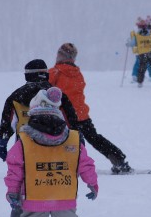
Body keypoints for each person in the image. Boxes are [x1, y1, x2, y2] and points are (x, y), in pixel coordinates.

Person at [1, 87, 99, 217]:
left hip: (35, 197)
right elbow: (84, 162)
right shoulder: (73, 138)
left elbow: (15, 169)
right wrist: (92, 183)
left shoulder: (24, 140)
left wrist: (12, 191)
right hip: (63, 196)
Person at [0, 59, 79, 217]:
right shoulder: (57, 95)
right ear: (45, 74)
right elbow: (71, 122)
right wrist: (78, 142)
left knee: (23, 185)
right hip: (58, 149)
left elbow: (8, 123)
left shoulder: (15, 96)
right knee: (58, 183)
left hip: (26, 150)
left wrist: (2, 142)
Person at [49, 43, 132, 174]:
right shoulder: (77, 73)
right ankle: (118, 160)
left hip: (64, 115)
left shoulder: (55, 72)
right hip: (82, 114)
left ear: (62, 56)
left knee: (63, 141)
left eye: (59, 54)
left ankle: (67, 165)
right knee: (94, 138)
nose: (57, 56)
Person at [127, 16, 151, 88]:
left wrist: (128, 43)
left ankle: (140, 82)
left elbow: (132, 43)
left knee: (142, 68)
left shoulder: (137, 36)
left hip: (142, 54)